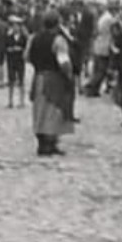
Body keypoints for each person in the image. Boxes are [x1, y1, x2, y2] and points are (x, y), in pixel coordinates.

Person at [27, 11, 75, 157]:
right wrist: (69, 75)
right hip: (53, 79)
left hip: (38, 76)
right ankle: (49, 143)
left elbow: (27, 56)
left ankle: (41, 141)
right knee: (52, 110)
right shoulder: (58, 40)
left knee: (39, 110)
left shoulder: (33, 38)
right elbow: (64, 61)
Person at [5, 18, 28, 109]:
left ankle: (21, 101)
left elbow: (26, 48)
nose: (15, 28)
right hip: (11, 60)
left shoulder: (23, 37)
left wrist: (21, 50)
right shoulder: (9, 37)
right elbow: (5, 47)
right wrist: (10, 49)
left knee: (21, 81)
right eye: (14, 26)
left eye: (17, 26)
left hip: (20, 60)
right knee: (11, 80)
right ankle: (10, 101)